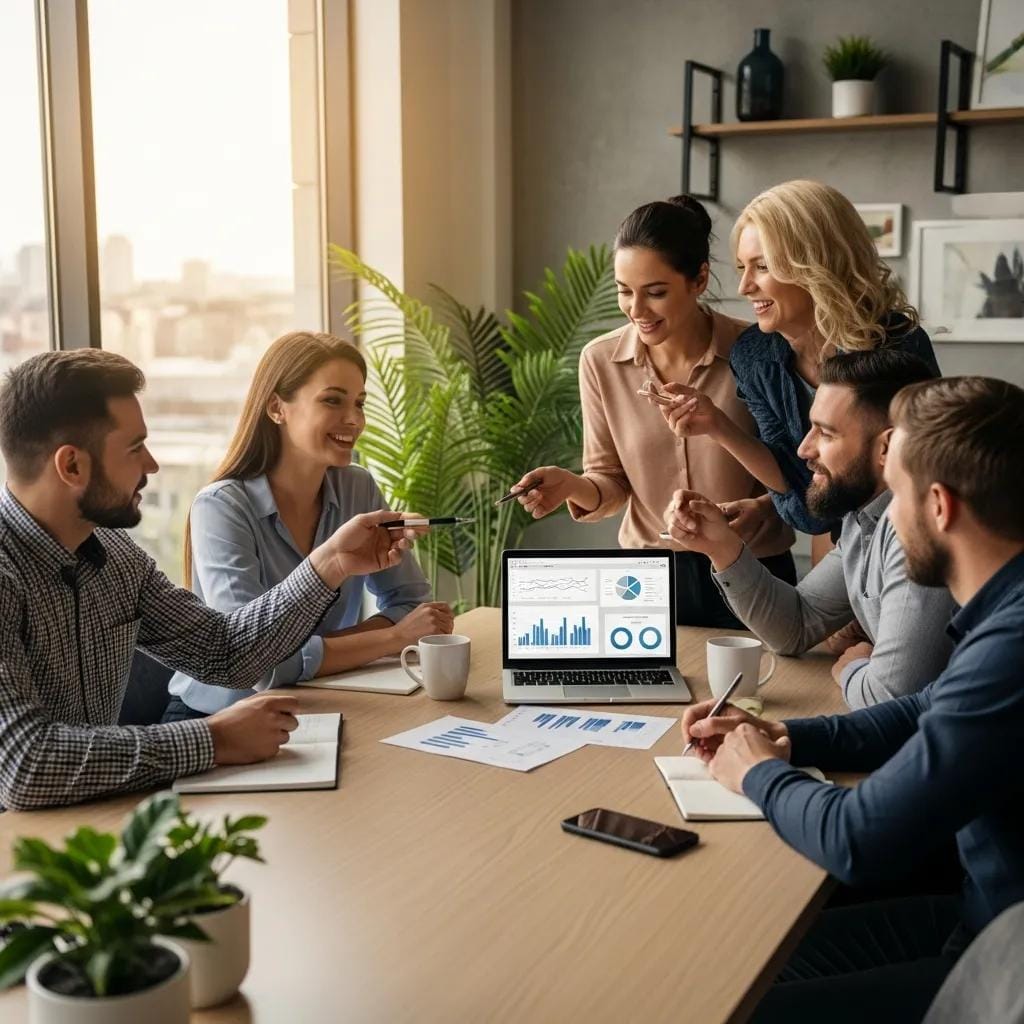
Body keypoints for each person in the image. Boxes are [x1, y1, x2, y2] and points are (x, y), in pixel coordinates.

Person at [679, 376, 1024, 1022]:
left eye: (896, 495)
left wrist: (758, 774)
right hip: (981, 918)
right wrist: (792, 738)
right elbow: (927, 707)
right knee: (741, 968)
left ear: (940, 506)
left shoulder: (1013, 647)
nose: (888, 519)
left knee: (742, 1005)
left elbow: (859, 839)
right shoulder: (1005, 609)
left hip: (1004, 969)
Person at [0, 349, 423, 811]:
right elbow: (24, 764)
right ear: (72, 466)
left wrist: (329, 565)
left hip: (98, 817)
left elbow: (226, 653)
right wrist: (212, 739)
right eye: (135, 447)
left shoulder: (118, 558)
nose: (153, 466)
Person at [510, 195, 795, 627]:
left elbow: (799, 473)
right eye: (624, 292)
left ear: (698, 279)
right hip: (646, 578)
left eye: (655, 293)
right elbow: (609, 482)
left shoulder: (759, 351)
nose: (636, 311)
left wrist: (766, 508)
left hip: (753, 564)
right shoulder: (600, 361)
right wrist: (571, 485)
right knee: (647, 693)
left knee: (766, 695)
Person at [164, 331, 453, 720]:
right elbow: (253, 662)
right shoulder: (222, 507)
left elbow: (414, 605)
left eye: (360, 403)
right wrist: (390, 639)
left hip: (323, 702)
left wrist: (310, 651)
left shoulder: (357, 487)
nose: (354, 419)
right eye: (332, 401)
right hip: (219, 721)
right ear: (277, 408)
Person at [655, 179, 940, 559]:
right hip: (838, 549)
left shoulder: (897, 343)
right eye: (742, 267)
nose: (744, 286)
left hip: (909, 544)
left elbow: (925, 471)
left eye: (762, 267)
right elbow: (806, 507)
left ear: (814, 264)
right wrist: (716, 425)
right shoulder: (753, 356)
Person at [664, 349, 955, 708]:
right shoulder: (863, 517)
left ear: (887, 447)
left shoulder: (920, 533)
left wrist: (854, 667)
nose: (804, 449)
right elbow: (796, 626)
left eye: (826, 434)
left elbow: (892, 695)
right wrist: (721, 548)